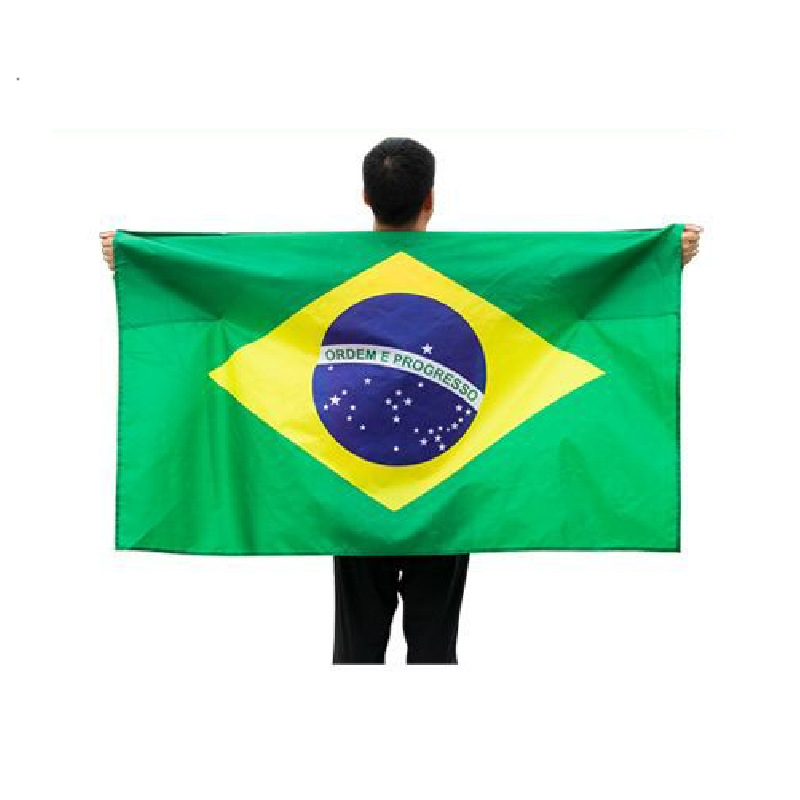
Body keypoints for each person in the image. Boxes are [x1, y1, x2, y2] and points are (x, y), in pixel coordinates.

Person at [100, 136, 703, 666]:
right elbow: (563, 283)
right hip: (446, 498)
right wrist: (659, 258)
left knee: (356, 651)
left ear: (366, 198)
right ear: (431, 199)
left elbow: (228, 283)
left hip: (355, 496)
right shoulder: (479, 276)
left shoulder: (318, 274)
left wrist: (134, 258)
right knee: (435, 650)